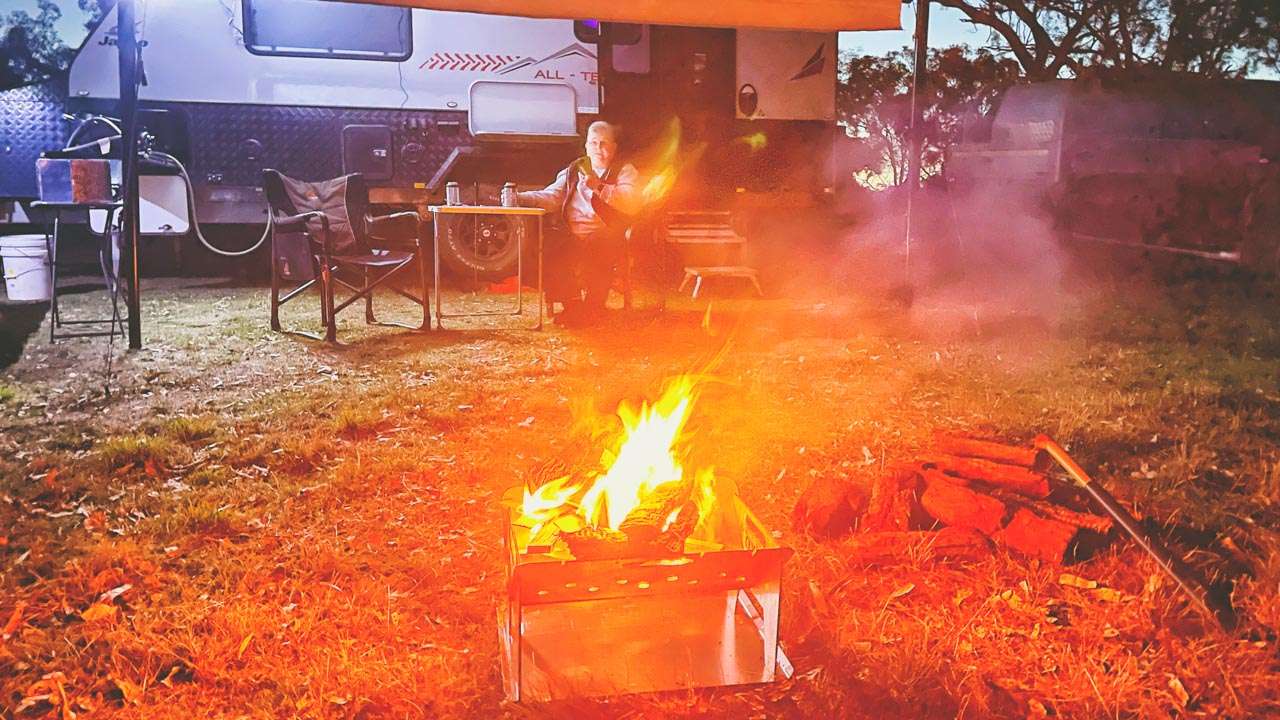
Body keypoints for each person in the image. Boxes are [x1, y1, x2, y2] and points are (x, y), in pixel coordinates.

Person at [518, 121, 639, 324]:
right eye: (593, 143)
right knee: (553, 248)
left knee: (599, 245)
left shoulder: (624, 170)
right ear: (586, 146)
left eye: (604, 144)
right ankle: (572, 306)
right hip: (572, 232)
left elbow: (630, 201)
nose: (598, 149)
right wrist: (522, 197)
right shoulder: (574, 169)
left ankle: (593, 306)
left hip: (606, 231)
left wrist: (599, 187)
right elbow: (552, 196)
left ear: (614, 147)